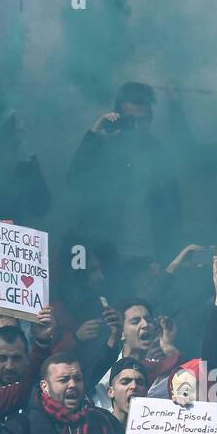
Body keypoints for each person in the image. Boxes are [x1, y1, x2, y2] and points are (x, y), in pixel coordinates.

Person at [67, 82, 182, 284]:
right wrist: (96, 133)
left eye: (143, 120)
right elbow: (74, 179)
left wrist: (166, 256)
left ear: (151, 119)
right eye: (131, 121)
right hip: (108, 255)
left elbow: (173, 212)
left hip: (148, 257)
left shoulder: (160, 155)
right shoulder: (104, 150)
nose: (138, 127)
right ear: (119, 119)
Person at [105, 357, 148, 426]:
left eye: (140, 383)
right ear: (111, 392)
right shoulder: (100, 430)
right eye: (125, 382)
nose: (134, 386)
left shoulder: (153, 432)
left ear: (146, 393)